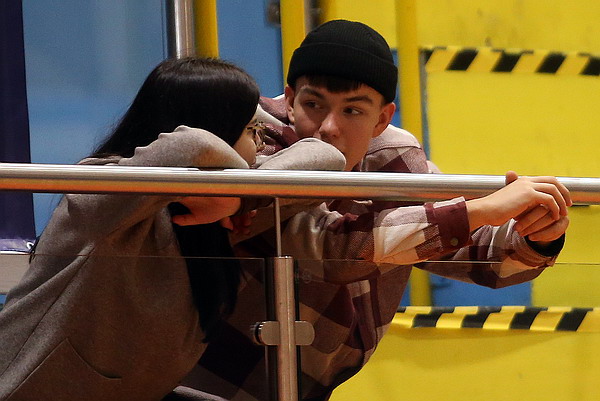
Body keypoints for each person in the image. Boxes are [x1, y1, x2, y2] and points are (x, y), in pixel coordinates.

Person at [182, 20, 572, 400]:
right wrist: (481, 210)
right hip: (198, 379)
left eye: (352, 111)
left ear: (383, 118)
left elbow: (474, 251)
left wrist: (537, 236)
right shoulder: (252, 138)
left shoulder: (393, 155)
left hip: (307, 382)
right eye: (313, 104)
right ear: (289, 99)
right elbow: (328, 250)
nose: (329, 127)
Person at [0, 57, 345, 401]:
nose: (258, 145)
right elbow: (193, 145)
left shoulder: (216, 212)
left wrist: (241, 199)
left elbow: (326, 159)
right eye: (250, 130)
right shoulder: (104, 189)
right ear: (218, 130)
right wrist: (238, 190)